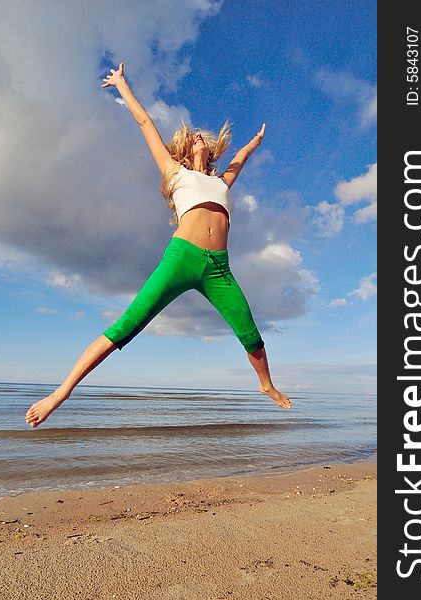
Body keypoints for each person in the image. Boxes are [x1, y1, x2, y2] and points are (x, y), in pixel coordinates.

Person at [25, 62, 291, 428]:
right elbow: (145, 123)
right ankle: (60, 394)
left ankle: (267, 386)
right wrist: (121, 84)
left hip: (219, 267)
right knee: (124, 327)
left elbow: (240, 159)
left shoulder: (221, 181)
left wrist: (255, 142)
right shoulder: (174, 172)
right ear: (184, 147)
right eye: (193, 135)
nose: (198, 137)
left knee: (252, 337)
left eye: (202, 136)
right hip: (181, 257)